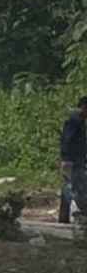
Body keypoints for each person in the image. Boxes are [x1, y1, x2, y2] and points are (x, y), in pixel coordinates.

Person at [60, 96, 87, 224]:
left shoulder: (80, 121)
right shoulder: (74, 121)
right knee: (73, 187)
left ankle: (64, 217)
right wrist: (66, 159)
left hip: (77, 160)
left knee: (70, 187)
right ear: (83, 107)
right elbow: (67, 140)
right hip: (72, 160)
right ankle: (75, 215)